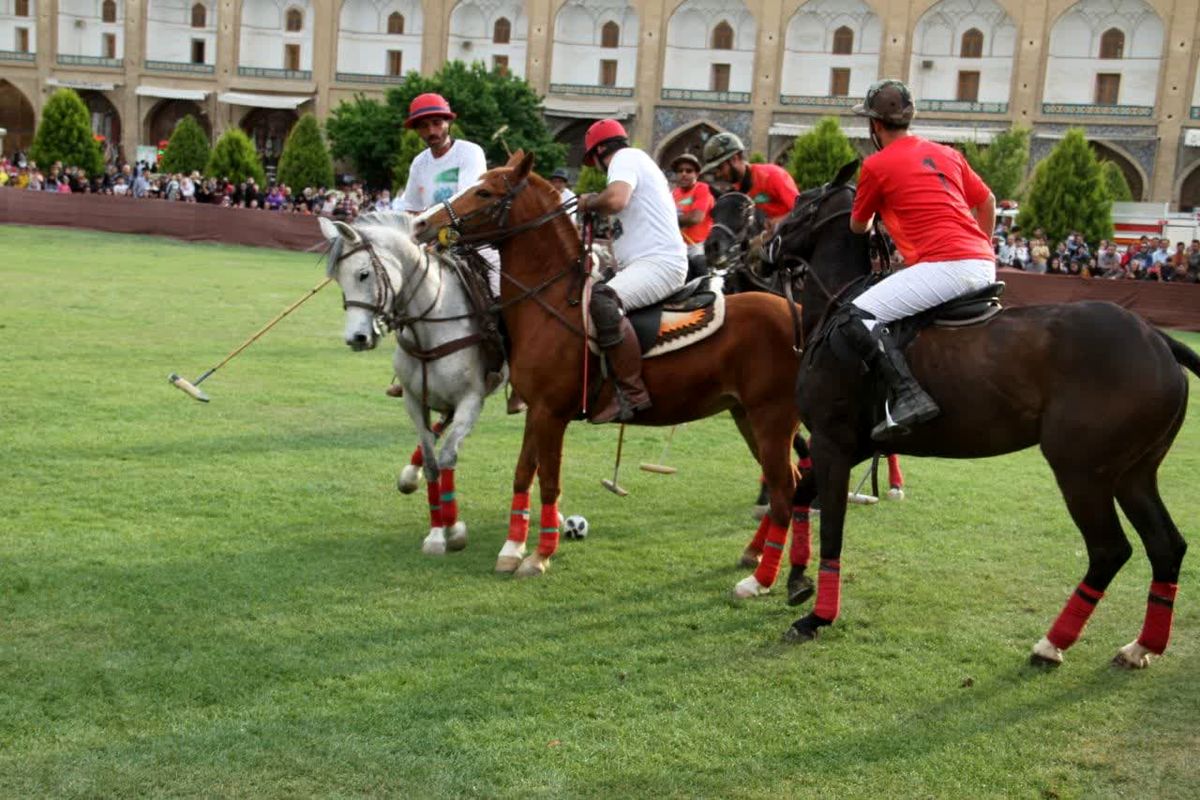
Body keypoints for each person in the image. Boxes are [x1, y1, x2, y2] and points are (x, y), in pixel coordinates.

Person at [837, 79, 997, 440]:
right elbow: (987, 202)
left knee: (855, 316)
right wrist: (981, 247)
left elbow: (858, 227)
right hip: (983, 264)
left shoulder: (876, 165)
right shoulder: (948, 154)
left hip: (944, 266)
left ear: (875, 125)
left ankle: (909, 397)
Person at [576, 119, 688, 423]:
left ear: (600, 150)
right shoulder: (637, 163)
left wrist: (589, 202)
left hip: (660, 263)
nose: (597, 168)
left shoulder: (626, 158)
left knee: (602, 299)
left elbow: (615, 199)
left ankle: (630, 393)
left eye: (595, 161)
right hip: (646, 262)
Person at [700, 131, 798, 231]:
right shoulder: (736, 192)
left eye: (720, 168)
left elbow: (802, 209)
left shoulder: (772, 175)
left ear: (735, 158)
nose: (718, 174)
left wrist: (777, 222)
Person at [669, 152, 714, 274]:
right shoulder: (673, 193)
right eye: (680, 171)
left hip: (698, 246)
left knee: (699, 264)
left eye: (689, 171)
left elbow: (695, 218)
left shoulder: (701, 189)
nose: (683, 174)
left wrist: (668, 219)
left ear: (697, 174)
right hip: (677, 246)